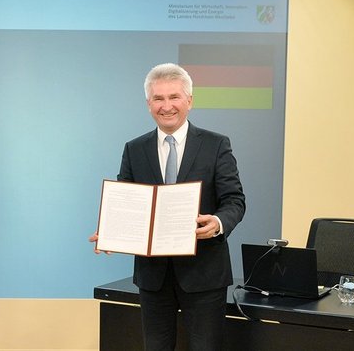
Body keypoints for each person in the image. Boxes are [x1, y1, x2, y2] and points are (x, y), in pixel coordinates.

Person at [91, 63, 246, 350]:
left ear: (189, 101)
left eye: (174, 97)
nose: (167, 106)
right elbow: (126, 201)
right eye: (158, 99)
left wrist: (218, 223)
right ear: (148, 103)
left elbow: (234, 200)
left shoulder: (216, 144)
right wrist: (111, 231)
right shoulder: (134, 148)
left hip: (204, 274)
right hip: (153, 277)